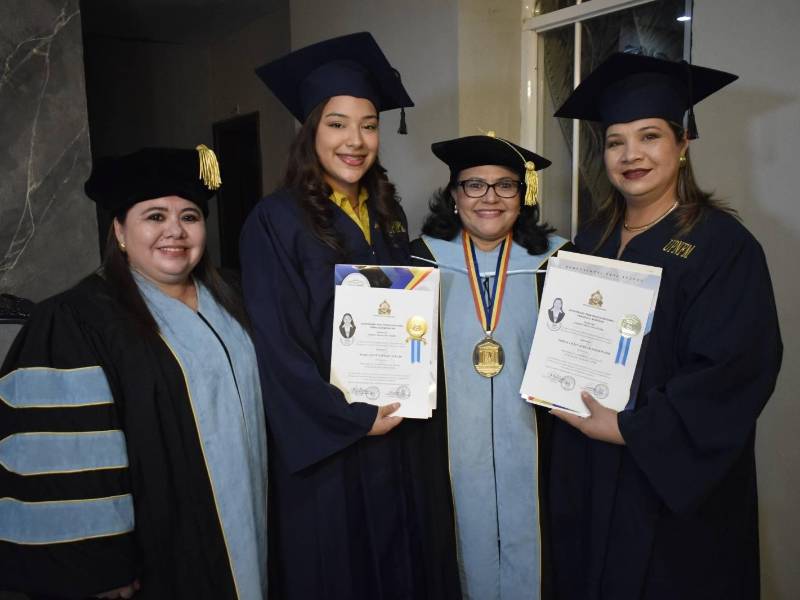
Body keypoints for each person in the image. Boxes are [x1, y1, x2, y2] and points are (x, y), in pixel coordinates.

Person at [549, 52, 782, 599]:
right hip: (588, 462)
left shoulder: (723, 245)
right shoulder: (590, 241)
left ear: (682, 143)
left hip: (663, 484)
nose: (631, 154)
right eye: (615, 141)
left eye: (649, 136)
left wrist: (631, 428)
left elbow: (733, 371)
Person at [242, 32, 461, 599]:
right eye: (337, 124)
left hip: (396, 430)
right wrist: (351, 418)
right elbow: (278, 345)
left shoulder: (387, 214)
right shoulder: (275, 221)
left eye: (368, 125)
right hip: (332, 445)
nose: (356, 141)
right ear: (310, 129)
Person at [0, 147, 268, 599]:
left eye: (189, 217)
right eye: (155, 216)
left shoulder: (233, 298)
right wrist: (102, 565)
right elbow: (67, 459)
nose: (175, 231)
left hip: (254, 524)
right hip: (160, 550)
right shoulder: (75, 320)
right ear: (120, 231)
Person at [409, 133, 569, 600]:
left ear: (523, 194)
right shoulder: (416, 264)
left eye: (505, 185)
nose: (490, 198)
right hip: (443, 448)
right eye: (474, 185)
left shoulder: (559, 262)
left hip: (540, 445)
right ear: (454, 195)